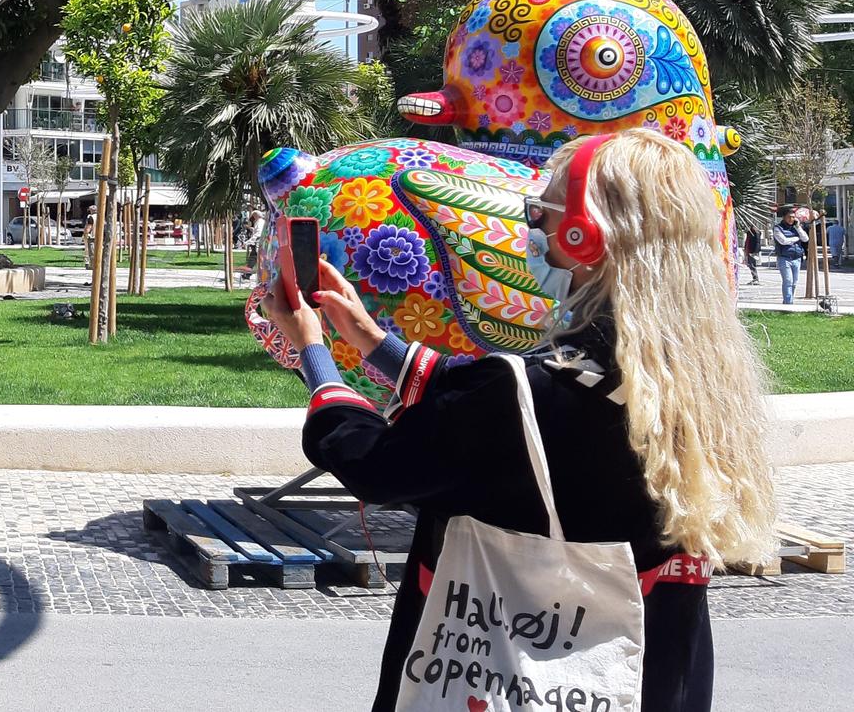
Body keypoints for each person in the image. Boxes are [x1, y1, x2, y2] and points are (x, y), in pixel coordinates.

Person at [263, 129, 775, 712]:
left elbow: (373, 465)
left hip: (505, 674)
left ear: (586, 237)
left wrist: (314, 352)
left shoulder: (517, 393)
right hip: (655, 676)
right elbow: (491, 398)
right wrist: (373, 340)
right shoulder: (702, 382)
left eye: (546, 211)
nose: (533, 228)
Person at [772, 206, 807, 305]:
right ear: (784, 217)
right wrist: (796, 238)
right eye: (789, 217)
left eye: (793, 217)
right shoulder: (778, 228)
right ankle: (788, 303)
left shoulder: (796, 228)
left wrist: (798, 227)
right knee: (788, 281)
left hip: (797, 258)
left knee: (794, 283)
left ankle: (788, 301)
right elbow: (783, 241)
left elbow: (805, 238)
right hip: (784, 258)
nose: (791, 219)